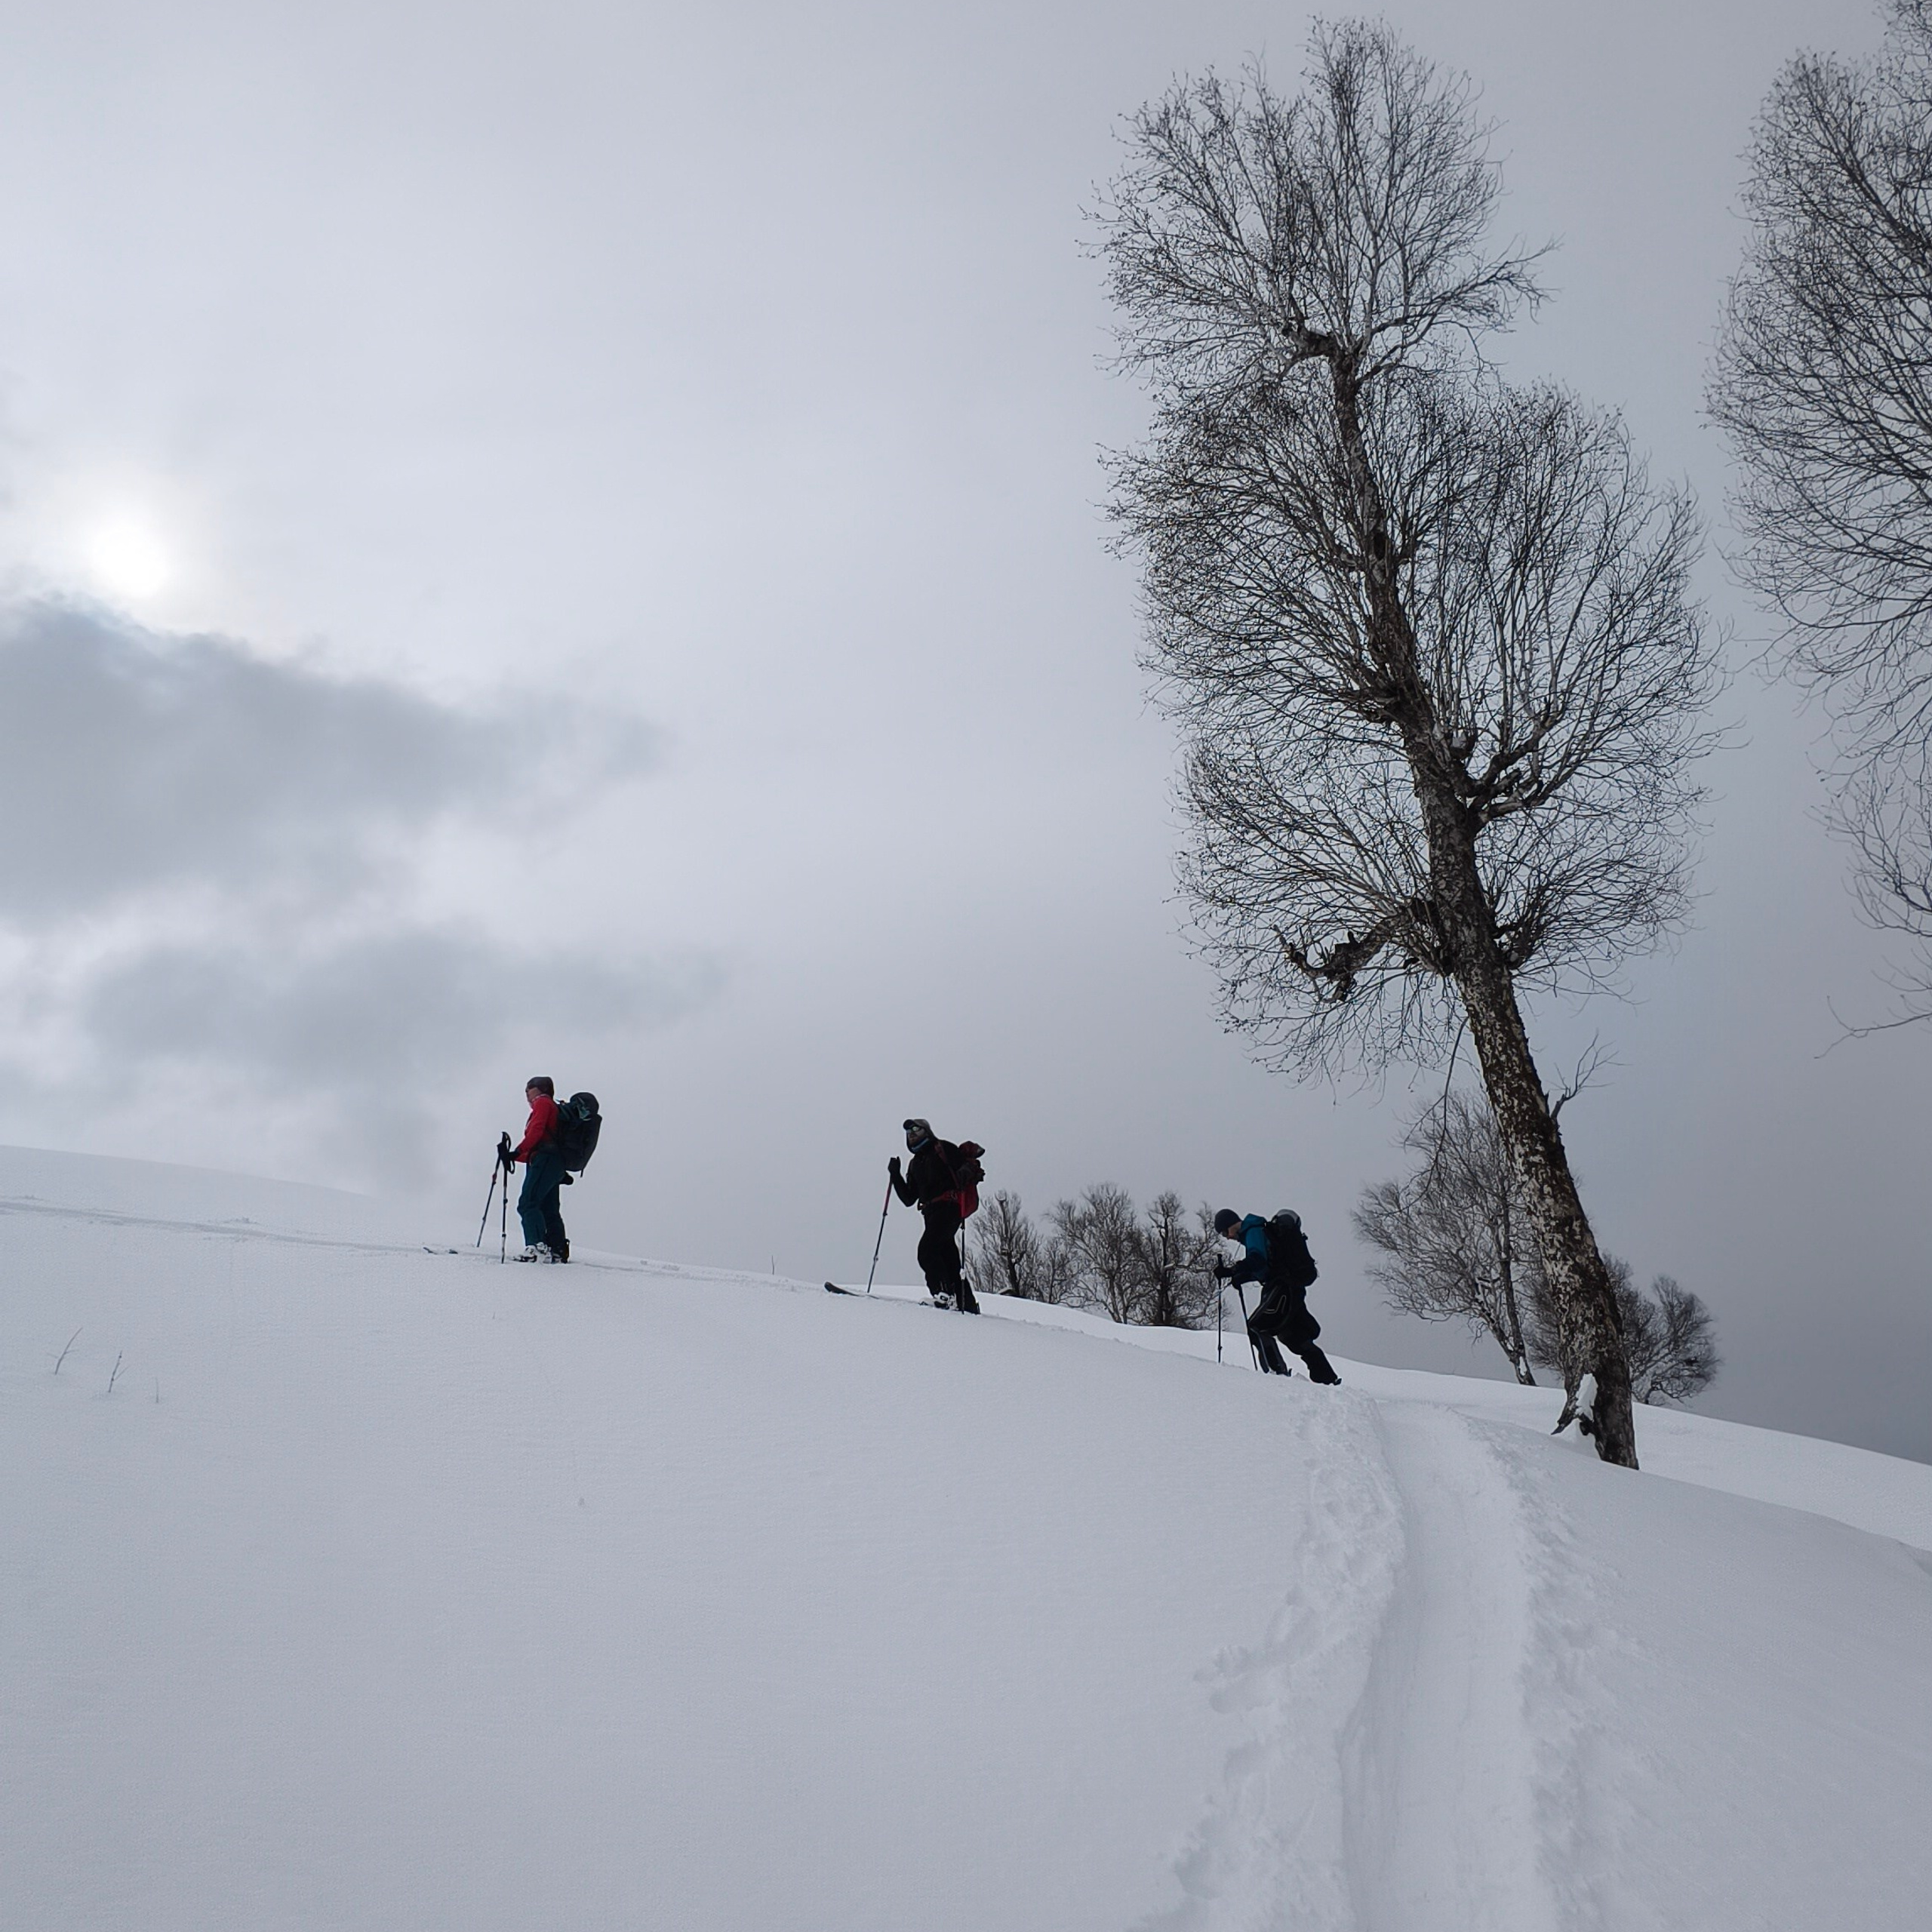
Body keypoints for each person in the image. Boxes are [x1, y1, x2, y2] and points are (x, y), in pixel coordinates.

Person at [1214, 1207, 1340, 1383]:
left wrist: (1232, 1270)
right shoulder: (1256, 1232)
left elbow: (1258, 1259)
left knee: (1257, 1328)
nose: (1227, 1237)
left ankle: (1276, 1377)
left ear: (1231, 1224)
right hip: (1290, 1287)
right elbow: (1264, 1268)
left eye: (1224, 1232)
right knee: (1292, 1336)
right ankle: (1327, 1380)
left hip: (1282, 1287)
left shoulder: (1252, 1229)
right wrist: (1239, 1277)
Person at [888, 1118, 979, 1313]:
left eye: (916, 1129)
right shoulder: (914, 1164)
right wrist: (895, 1174)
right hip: (931, 1214)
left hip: (949, 1208)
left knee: (927, 1250)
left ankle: (943, 1296)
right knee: (947, 1257)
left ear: (927, 1131)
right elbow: (908, 1198)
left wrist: (966, 1174)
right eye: (908, 1132)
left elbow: (969, 1168)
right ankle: (967, 1305)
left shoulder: (942, 1149)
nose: (911, 1133)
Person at [506, 1076, 568, 1263]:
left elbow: (537, 1132)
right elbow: (538, 1146)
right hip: (554, 1163)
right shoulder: (553, 1107)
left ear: (540, 1089)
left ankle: (537, 1247)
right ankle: (557, 1249)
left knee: (528, 1203)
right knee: (549, 1207)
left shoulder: (542, 1103)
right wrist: (514, 1156)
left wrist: (517, 1151)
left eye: (528, 1089)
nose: (526, 1093)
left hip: (545, 1161)